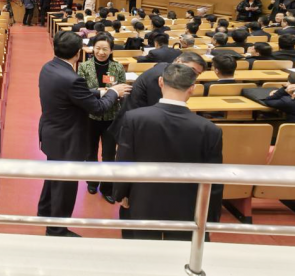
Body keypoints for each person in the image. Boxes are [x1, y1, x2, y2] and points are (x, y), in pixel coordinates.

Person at [37, 31, 131, 237]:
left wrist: (99, 91)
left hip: (52, 133)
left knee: (52, 178)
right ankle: (57, 230)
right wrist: (113, 92)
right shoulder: (72, 78)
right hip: (67, 139)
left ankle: (44, 213)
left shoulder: (48, 67)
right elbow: (98, 108)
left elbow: (72, 94)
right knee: (65, 186)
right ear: (79, 53)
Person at [114, 63, 223, 240]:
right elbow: (214, 178)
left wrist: (120, 194)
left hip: (142, 198)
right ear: (192, 88)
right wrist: (211, 217)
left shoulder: (134, 118)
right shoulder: (210, 129)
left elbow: (124, 160)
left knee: (139, 248)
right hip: (188, 205)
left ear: (160, 82)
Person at [77, 33, 126, 203]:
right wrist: (104, 92)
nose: (101, 52)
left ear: (111, 50)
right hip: (90, 116)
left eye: (105, 49)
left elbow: (122, 91)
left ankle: (107, 187)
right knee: (90, 152)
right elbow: (82, 92)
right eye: (98, 48)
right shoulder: (84, 66)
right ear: (93, 48)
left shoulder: (117, 68)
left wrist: (113, 94)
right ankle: (92, 181)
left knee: (109, 154)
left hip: (112, 117)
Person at [117, 52, 207, 119]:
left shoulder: (167, 69)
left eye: (197, 74)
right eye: (192, 70)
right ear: (178, 61)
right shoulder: (160, 76)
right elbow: (158, 108)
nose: (192, 75)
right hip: (133, 122)